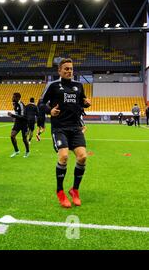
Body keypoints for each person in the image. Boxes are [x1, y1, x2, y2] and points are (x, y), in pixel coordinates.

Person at [40, 58, 91, 208]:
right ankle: (60, 191)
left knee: (82, 157)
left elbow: (80, 103)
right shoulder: (53, 86)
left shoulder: (79, 86)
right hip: (59, 128)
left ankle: (74, 190)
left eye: (71, 69)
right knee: (63, 157)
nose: (69, 71)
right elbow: (41, 103)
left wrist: (85, 104)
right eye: (66, 69)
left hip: (75, 128)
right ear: (59, 71)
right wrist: (50, 111)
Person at [8, 92, 30, 158]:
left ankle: (27, 151)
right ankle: (17, 151)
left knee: (24, 139)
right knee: (12, 136)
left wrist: (13, 115)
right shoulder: (14, 103)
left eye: (14, 97)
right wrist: (15, 118)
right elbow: (17, 113)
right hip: (17, 123)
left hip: (24, 123)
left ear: (18, 98)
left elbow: (23, 116)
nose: (12, 98)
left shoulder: (21, 104)